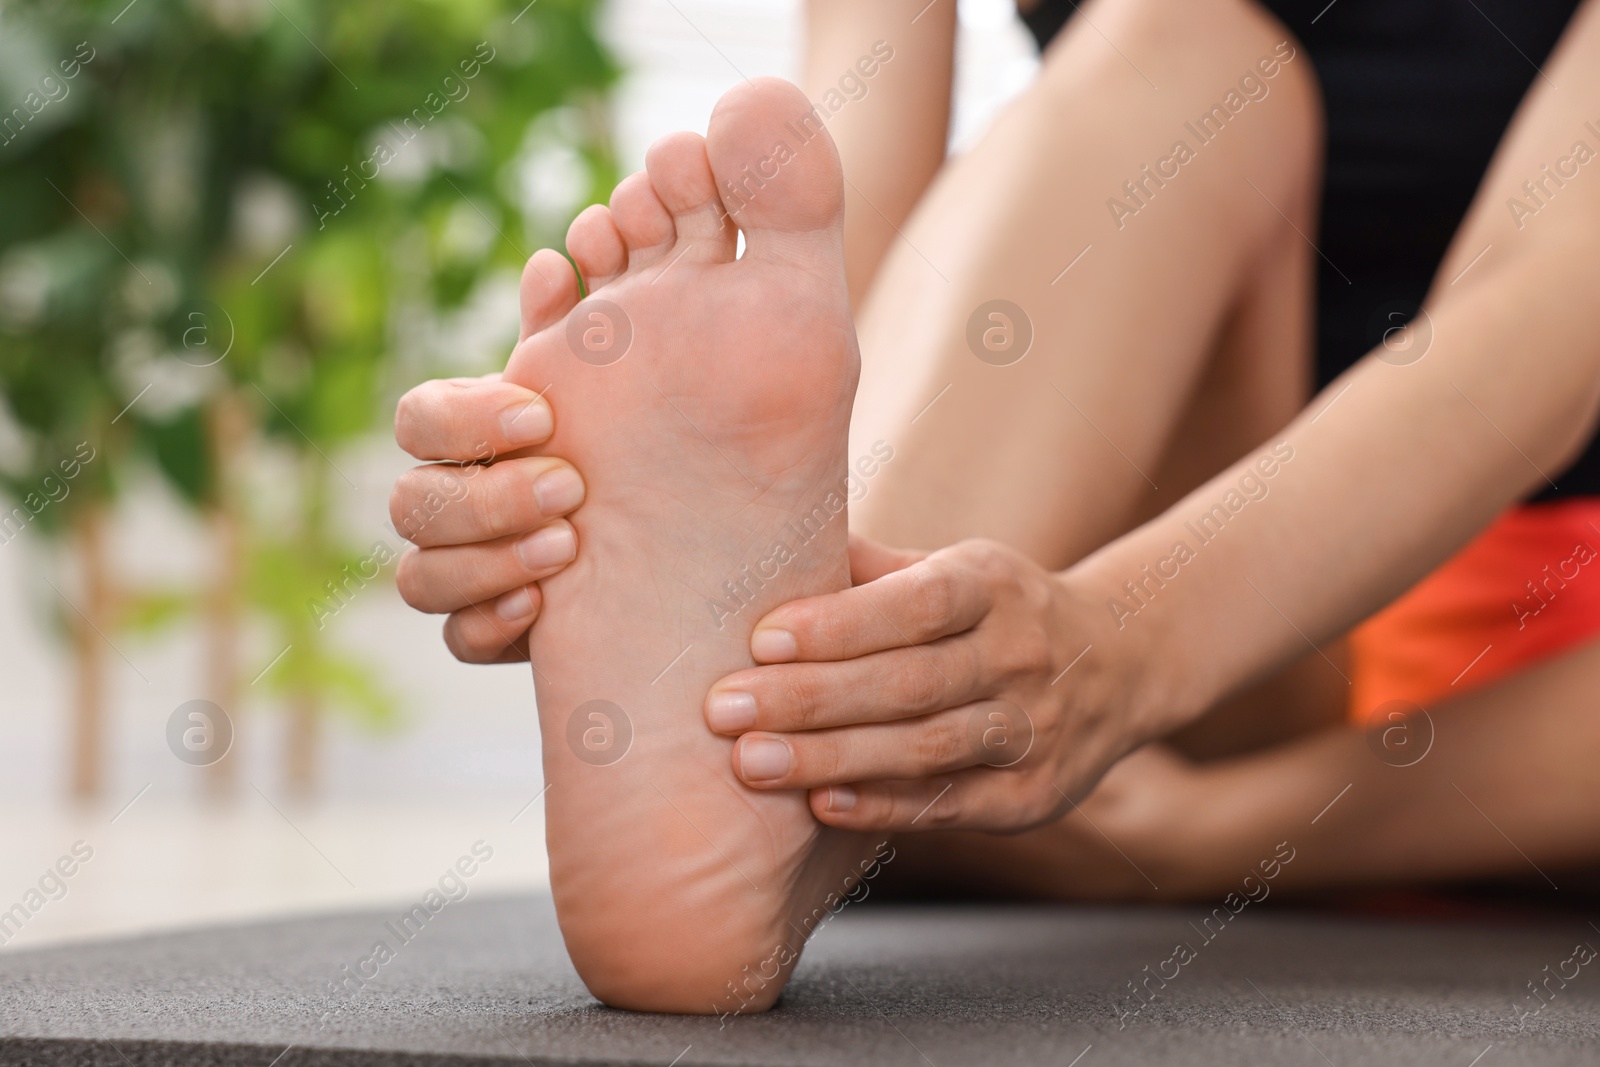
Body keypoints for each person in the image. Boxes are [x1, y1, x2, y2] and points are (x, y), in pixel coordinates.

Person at [388, 0, 1600, 1012]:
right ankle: (798, 725)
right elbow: (832, 202)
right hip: (1203, 627)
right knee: (1174, 47)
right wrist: (740, 489)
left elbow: (1550, 296)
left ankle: (850, 749)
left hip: (1535, 678)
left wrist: (1132, 673)